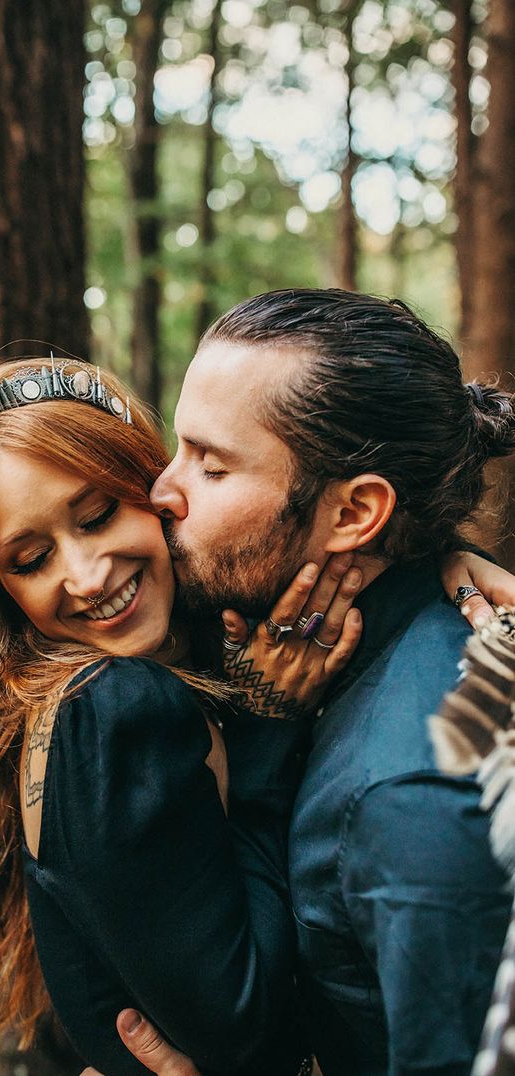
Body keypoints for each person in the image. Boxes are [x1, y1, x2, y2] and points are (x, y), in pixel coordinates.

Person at [0, 355, 365, 1076]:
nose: (86, 576)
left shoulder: (201, 641)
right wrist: (269, 722)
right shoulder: (108, 710)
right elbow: (247, 1030)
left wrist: (451, 569)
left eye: (97, 514)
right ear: (0, 594)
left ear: (154, 489)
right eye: (30, 559)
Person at [91, 288, 515, 1076]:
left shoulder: (411, 796)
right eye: (178, 448)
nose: (160, 492)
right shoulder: (290, 652)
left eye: (211, 465)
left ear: (355, 514)